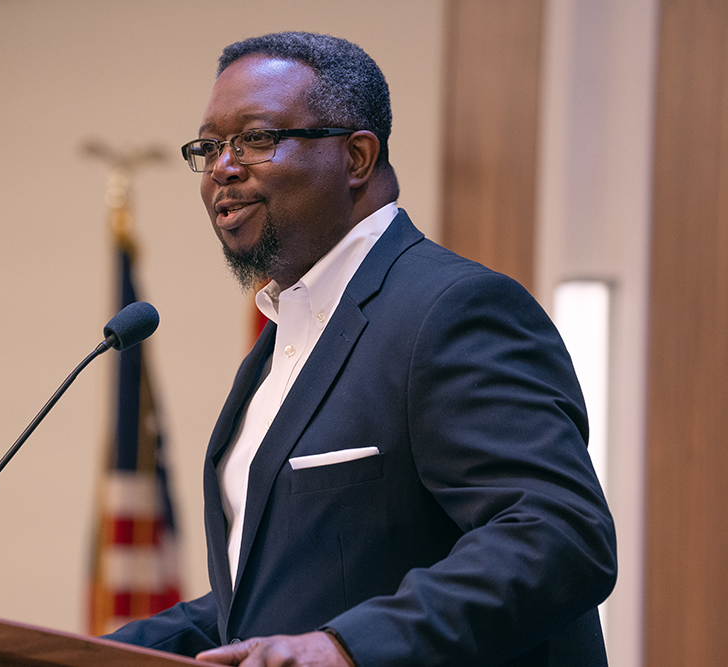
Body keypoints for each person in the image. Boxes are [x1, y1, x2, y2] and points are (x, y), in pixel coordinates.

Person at [106, 31, 617, 666]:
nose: (223, 168)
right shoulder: (283, 343)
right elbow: (269, 603)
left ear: (356, 157)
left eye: (257, 139)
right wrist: (73, 654)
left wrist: (348, 648)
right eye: (209, 147)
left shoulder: (450, 310)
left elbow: (559, 536)